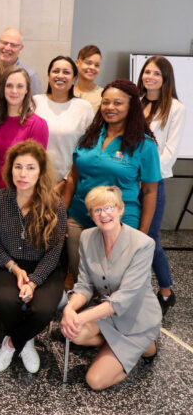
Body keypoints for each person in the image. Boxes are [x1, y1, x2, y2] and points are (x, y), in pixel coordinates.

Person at [62, 80, 160, 288]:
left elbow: (151, 191)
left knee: (111, 284)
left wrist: (141, 234)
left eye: (118, 103)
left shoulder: (144, 145)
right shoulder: (89, 136)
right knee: (81, 279)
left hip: (120, 223)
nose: (110, 107)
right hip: (79, 217)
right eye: (106, 102)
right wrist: (62, 215)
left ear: (131, 106)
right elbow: (73, 177)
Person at [61, 186, 161, 390]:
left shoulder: (143, 244)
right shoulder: (87, 237)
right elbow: (85, 285)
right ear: (91, 215)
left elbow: (123, 299)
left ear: (121, 210)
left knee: (95, 381)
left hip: (137, 319)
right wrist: (69, 309)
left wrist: (79, 317)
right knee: (75, 333)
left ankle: (146, 346)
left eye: (109, 208)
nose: (103, 214)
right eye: (97, 210)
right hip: (109, 315)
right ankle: (117, 346)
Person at [0, 141, 66, 374]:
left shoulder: (55, 204)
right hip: (9, 265)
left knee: (42, 309)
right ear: (10, 169)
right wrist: (15, 269)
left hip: (46, 267)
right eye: (18, 167)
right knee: (7, 302)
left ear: (40, 171)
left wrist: (33, 281)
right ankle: (26, 339)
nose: (23, 174)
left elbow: (54, 251)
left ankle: (13, 343)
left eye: (31, 168)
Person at [137, 56, 185, 315]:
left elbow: (170, 152)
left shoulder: (176, 108)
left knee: (150, 238)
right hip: (130, 178)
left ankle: (166, 290)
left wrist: (148, 173)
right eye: (147, 72)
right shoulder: (136, 102)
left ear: (165, 78)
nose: (150, 77)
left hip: (153, 182)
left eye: (156, 73)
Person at [0, 66, 48, 203]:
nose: (14, 91)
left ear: (26, 91)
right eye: (9, 86)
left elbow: (35, 167)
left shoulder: (37, 124)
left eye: (19, 86)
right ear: (3, 89)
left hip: (23, 197)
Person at [34, 56, 94, 183]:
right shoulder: (34, 102)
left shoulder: (84, 107)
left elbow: (88, 149)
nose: (60, 76)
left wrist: (66, 181)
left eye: (66, 72)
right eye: (56, 71)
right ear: (48, 75)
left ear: (74, 79)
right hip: (34, 179)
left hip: (69, 181)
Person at [0, 27, 42, 95]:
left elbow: (35, 103)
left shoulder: (30, 75)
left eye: (13, 45)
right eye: (4, 43)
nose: (7, 48)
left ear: (21, 49)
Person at [74, 45, 103, 110]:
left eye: (97, 65)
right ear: (77, 63)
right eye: (88, 63)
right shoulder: (67, 92)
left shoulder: (103, 95)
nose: (92, 68)